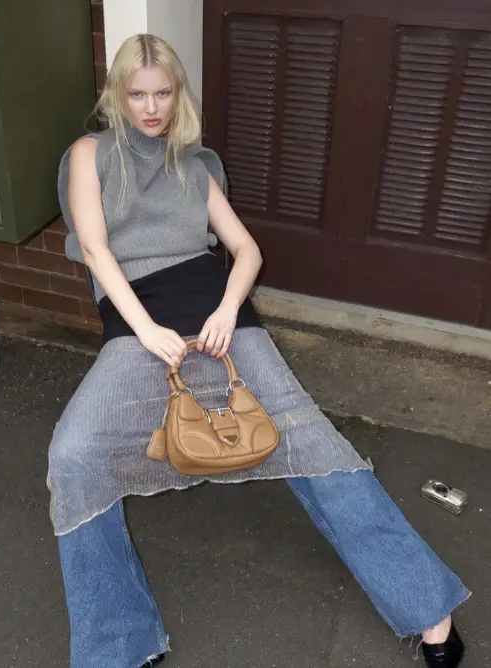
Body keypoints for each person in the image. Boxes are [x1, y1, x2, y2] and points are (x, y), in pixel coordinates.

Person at [47, 33, 469, 668]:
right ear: (117, 95)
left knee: (312, 442)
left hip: (217, 314)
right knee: (75, 455)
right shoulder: (91, 154)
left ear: (178, 94)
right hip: (139, 321)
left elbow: (246, 251)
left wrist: (225, 310)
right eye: (137, 95)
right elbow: (96, 249)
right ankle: (118, 643)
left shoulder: (193, 165)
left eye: (163, 93)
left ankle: (428, 608)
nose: (151, 108)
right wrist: (145, 330)